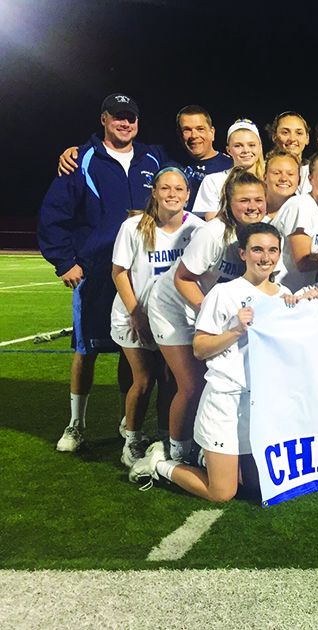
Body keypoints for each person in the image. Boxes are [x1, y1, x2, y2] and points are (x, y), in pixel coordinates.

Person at [38, 92, 169, 452]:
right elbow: (53, 214)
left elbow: (187, 183)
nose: (125, 123)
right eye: (118, 117)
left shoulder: (154, 157)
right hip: (97, 272)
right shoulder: (82, 159)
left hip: (140, 274)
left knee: (135, 347)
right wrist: (64, 262)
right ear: (104, 119)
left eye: (131, 117)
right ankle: (76, 424)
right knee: (86, 349)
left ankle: (130, 422)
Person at [129, 222, 291, 502]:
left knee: (258, 487)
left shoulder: (285, 295)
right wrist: (236, 331)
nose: (265, 258)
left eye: (272, 250)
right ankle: (158, 464)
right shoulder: (223, 294)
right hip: (225, 402)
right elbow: (200, 349)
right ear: (242, 254)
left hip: (260, 404)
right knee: (222, 492)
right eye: (257, 250)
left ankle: (211, 460)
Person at [146, 168, 267, 463]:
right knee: (191, 384)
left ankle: (203, 447)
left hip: (211, 310)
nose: (252, 207)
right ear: (228, 200)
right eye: (244, 201)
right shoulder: (213, 233)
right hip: (173, 306)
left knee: (212, 382)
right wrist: (210, 315)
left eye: (258, 200)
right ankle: (176, 453)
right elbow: (183, 278)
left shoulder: (260, 231)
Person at [110, 168, 204, 465]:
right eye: (165, 189)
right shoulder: (134, 226)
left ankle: (166, 437)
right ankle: (132, 440)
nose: (172, 195)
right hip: (133, 314)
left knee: (172, 380)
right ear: (155, 192)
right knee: (144, 379)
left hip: (173, 318)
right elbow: (119, 273)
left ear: (188, 194)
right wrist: (136, 313)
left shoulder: (198, 229)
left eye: (179, 189)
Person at [57, 104, 231, 213]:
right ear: (180, 135)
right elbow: (121, 147)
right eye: (187, 130)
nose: (194, 135)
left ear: (212, 132)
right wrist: (81, 151)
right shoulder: (164, 156)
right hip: (175, 246)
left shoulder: (230, 166)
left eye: (200, 129)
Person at [270, 146, 318, 292]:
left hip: (307, 297)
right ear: (310, 179)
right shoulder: (301, 205)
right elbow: (302, 262)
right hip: (285, 295)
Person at [192, 119, 264, 219]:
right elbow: (211, 220)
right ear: (228, 150)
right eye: (238, 146)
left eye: (251, 145)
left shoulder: (271, 180)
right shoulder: (213, 181)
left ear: (260, 148)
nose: (246, 150)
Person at [267, 111, 311, 194]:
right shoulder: (263, 169)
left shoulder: (314, 172)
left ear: (307, 138)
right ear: (274, 136)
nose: (292, 139)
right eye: (285, 132)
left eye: (299, 133)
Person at [262, 149, 301, 221]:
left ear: (299, 180)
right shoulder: (254, 211)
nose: (284, 179)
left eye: (290, 174)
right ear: (265, 177)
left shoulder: (306, 211)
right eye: (276, 173)